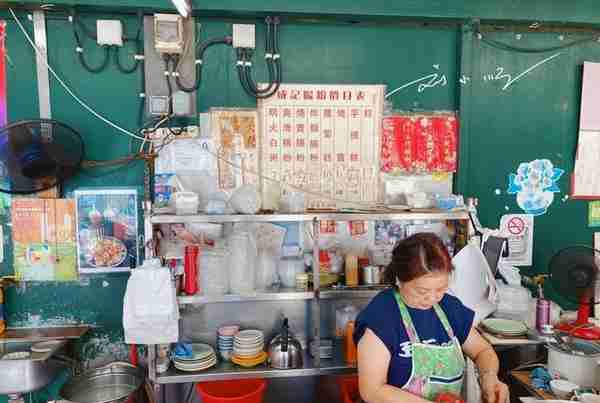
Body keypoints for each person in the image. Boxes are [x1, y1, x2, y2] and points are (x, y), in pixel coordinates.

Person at [354, 233, 509, 403]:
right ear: (399, 279)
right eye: (422, 291)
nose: (432, 298)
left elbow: (482, 351)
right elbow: (372, 391)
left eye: (441, 289)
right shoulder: (382, 317)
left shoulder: (449, 308)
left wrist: (489, 377)